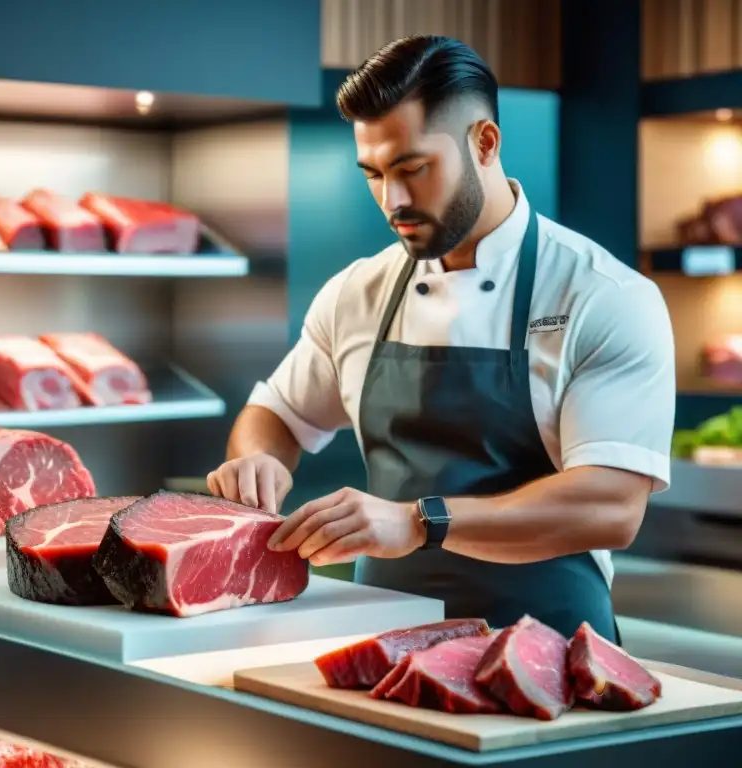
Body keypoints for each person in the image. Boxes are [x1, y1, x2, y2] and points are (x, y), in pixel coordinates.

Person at [205, 35, 675, 643]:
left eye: (412, 169)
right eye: (373, 174)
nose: (392, 200)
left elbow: (610, 506)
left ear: (484, 142)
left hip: (548, 654)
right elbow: (277, 412)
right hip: (378, 648)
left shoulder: (602, 295)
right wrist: (258, 459)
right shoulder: (358, 293)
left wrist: (419, 522)